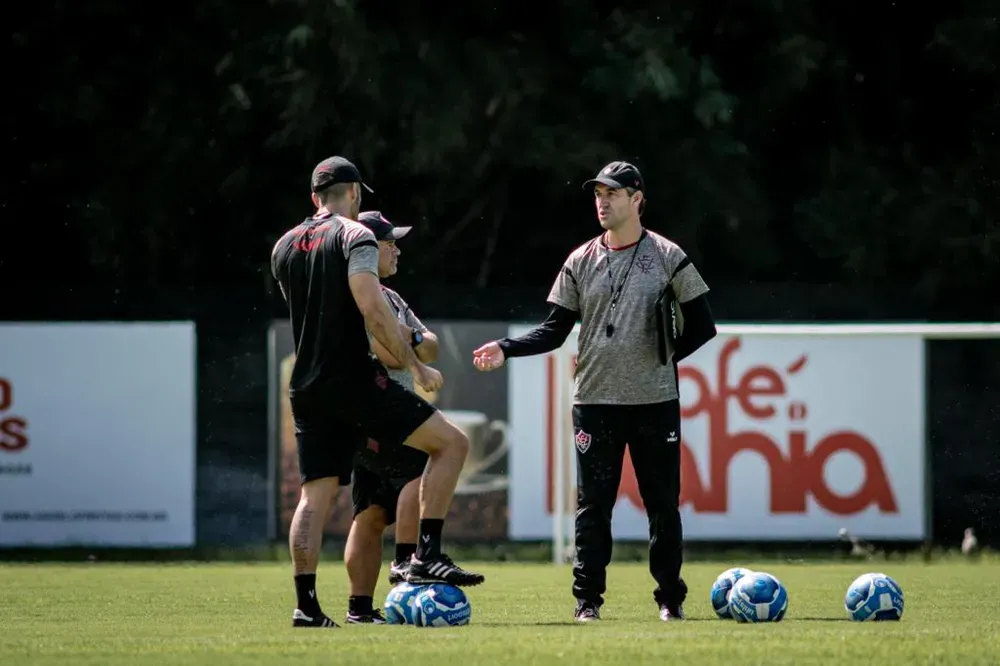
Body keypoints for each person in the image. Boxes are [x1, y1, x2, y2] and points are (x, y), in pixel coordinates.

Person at [472, 160, 717, 623]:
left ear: (636, 199)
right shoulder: (579, 260)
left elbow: (703, 326)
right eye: (598, 195)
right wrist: (506, 347)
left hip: (655, 402)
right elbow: (553, 331)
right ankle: (588, 602)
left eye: (612, 194)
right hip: (594, 403)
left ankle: (670, 599)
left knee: (662, 505)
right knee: (593, 507)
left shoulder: (668, 256)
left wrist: (662, 357)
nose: (602, 202)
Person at [271, 156, 485, 629]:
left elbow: (311, 315)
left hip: (305, 384)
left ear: (313, 197)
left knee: (314, 496)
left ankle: (307, 607)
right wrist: (415, 365)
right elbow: (369, 306)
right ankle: (424, 556)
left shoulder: (284, 246)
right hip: (352, 379)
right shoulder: (356, 235)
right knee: (452, 444)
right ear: (354, 193)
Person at [343, 210, 437, 624]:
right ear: (366, 249)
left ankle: (360, 610)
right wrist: (412, 348)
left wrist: (411, 338)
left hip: (382, 414)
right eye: (389, 243)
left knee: (372, 514)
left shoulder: (391, 298)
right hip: (378, 412)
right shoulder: (359, 298)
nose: (396, 250)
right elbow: (388, 354)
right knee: (430, 463)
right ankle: (406, 562)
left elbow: (431, 345)